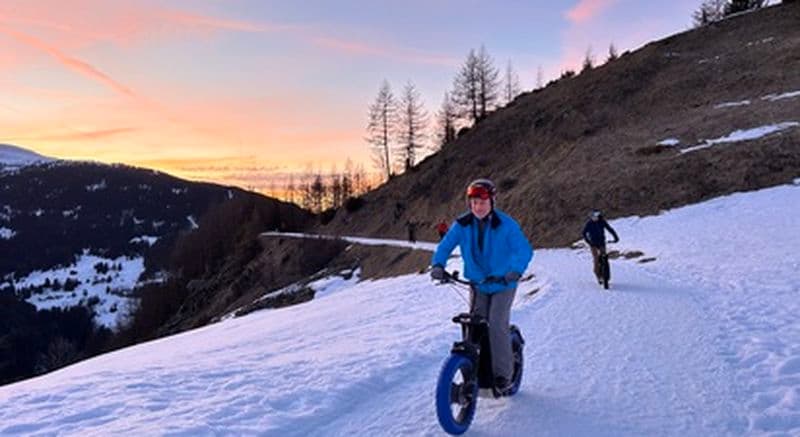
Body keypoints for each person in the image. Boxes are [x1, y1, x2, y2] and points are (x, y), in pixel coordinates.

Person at [430, 178, 533, 392]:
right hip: (477, 285)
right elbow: (445, 245)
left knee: (496, 324)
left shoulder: (506, 225)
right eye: (474, 202)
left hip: (503, 283)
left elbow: (524, 250)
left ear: (493, 202)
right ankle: (476, 371)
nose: (478, 207)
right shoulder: (462, 224)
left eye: (483, 202)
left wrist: (514, 271)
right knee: (475, 326)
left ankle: (503, 376)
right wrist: (438, 264)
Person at [582, 209, 619, 284]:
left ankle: (606, 275)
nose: (595, 218)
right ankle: (598, 276)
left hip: (601, 243)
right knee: (596, 259)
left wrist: (615, 237)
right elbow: (584, 233)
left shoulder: (602, 222)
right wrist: (588, 241)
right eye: (593, 217)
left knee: (604, 257)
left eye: (596, 216)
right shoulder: (589, 224)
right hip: (593, 244)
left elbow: (609, 229)